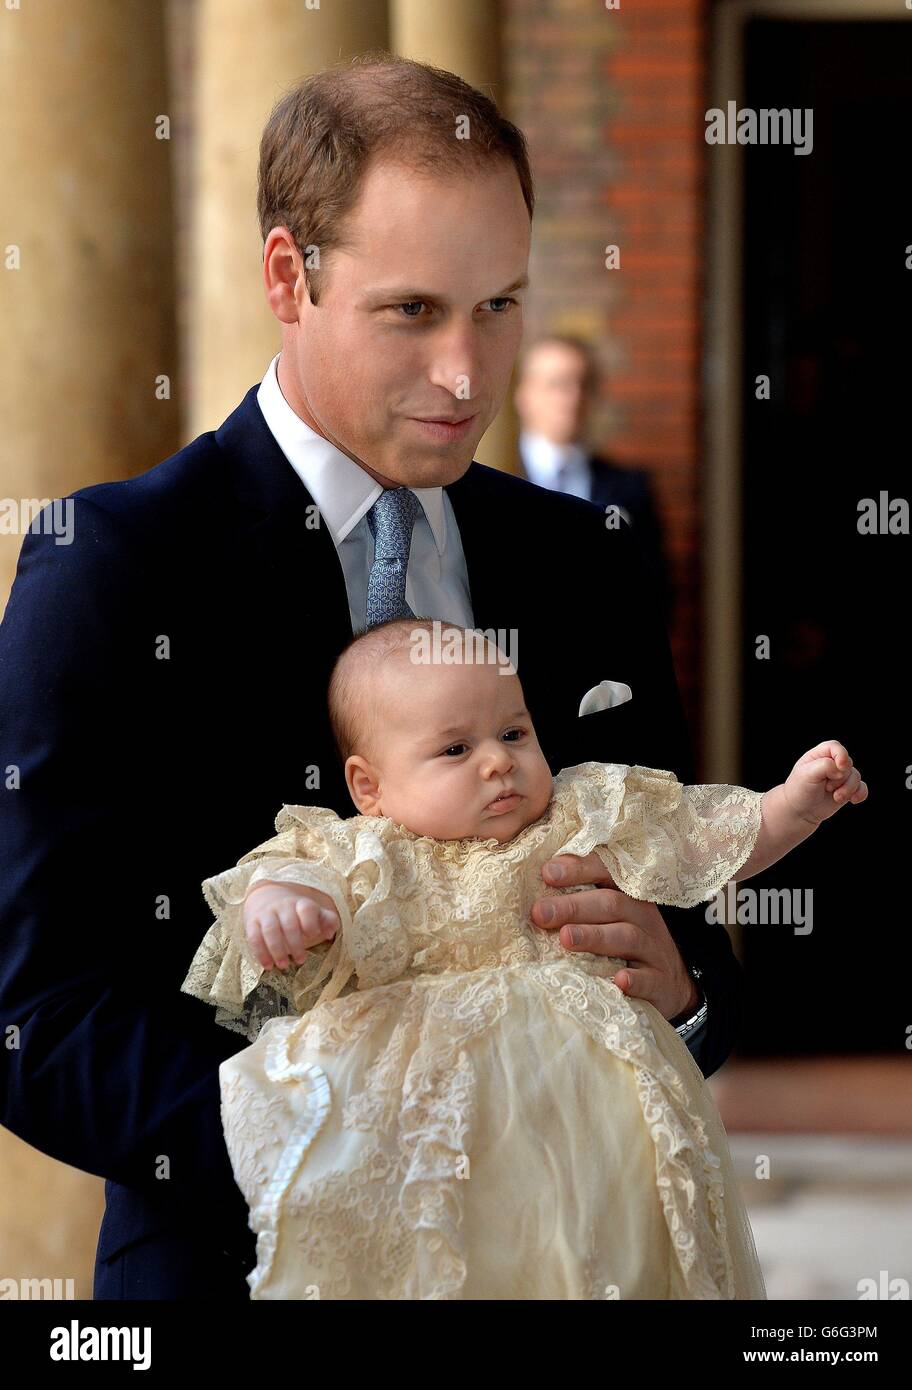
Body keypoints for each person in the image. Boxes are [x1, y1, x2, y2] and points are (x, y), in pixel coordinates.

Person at [0, 52, 747, 1301]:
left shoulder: (583, 562)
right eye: (414, 311)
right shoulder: (113, 566)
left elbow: (689, 928)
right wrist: (339, 1149)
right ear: (289, 276)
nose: (468, 373)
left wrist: (680, 994)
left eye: (500, 306)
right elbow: (39, 1013)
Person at [181, 618, 867, 1300]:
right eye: (455, 748)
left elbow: (699, 839)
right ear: (368, 788)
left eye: (513, 733)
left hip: (599, 1129)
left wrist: (791, 808)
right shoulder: (370, 855)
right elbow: (284, 875)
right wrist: (284, 902)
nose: (498, 761)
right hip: (438, 1136)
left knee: (625, 1256)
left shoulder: (579, 815)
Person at [514, 334, 673, 622]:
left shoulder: (630, 488)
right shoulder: (484, 480)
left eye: (584, 385)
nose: (573, 397)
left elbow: (655, 594)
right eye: (558, 384)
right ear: (524, 395)